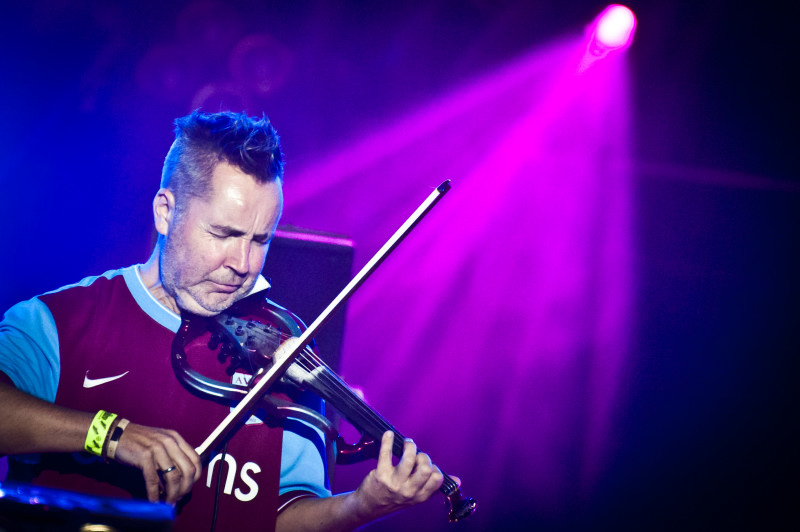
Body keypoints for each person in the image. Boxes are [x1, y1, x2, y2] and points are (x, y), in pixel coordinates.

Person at [0, 110, 444, 531]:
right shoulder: (65, 320)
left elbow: (280, 519)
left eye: (260, 240)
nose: (244, 263)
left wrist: (360, 506)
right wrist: (109, 433)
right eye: (224, 234)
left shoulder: (285, 357)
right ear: (165, 212)